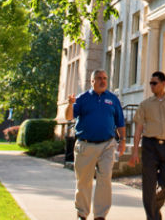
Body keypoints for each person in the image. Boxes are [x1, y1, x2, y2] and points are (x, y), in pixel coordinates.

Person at [65, 69, 126, 220]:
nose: (102, 81)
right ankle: (82, 214)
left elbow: (120, 122)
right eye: (99, 78)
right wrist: (70, 104)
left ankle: (100, 216)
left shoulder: (112, 99)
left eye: (105, 78)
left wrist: (122, 140)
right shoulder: (82, 98)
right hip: (85, 145)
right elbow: (69, 116)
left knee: (105, 180)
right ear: (92, 81)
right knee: (84, 182)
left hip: (107, 145)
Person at [128, 71, 165, 220]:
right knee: (149, 185)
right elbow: (138, 128)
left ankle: (154, 207)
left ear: (163, 83)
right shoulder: (145, 104)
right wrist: (134, 151)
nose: (151, 86)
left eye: (154, 83)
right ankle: (153, 217)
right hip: (149, 146)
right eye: (150, 83)